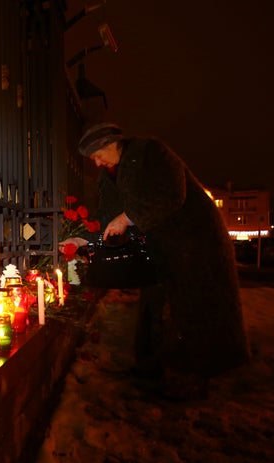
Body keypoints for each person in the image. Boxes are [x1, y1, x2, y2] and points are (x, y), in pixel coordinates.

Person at [61, 122, 250, 400]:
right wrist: (85, 240)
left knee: (192, 308)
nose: (97, 163)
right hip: (159, 248)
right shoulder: (109, 176)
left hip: (193, 242)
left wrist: (128, 218)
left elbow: (171, 195)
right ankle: (149, 369)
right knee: (153, 304)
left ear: (113, 143)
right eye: (93, 159)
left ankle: (195, 375)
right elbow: (108, 218)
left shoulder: (152, 153)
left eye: (98, 155)